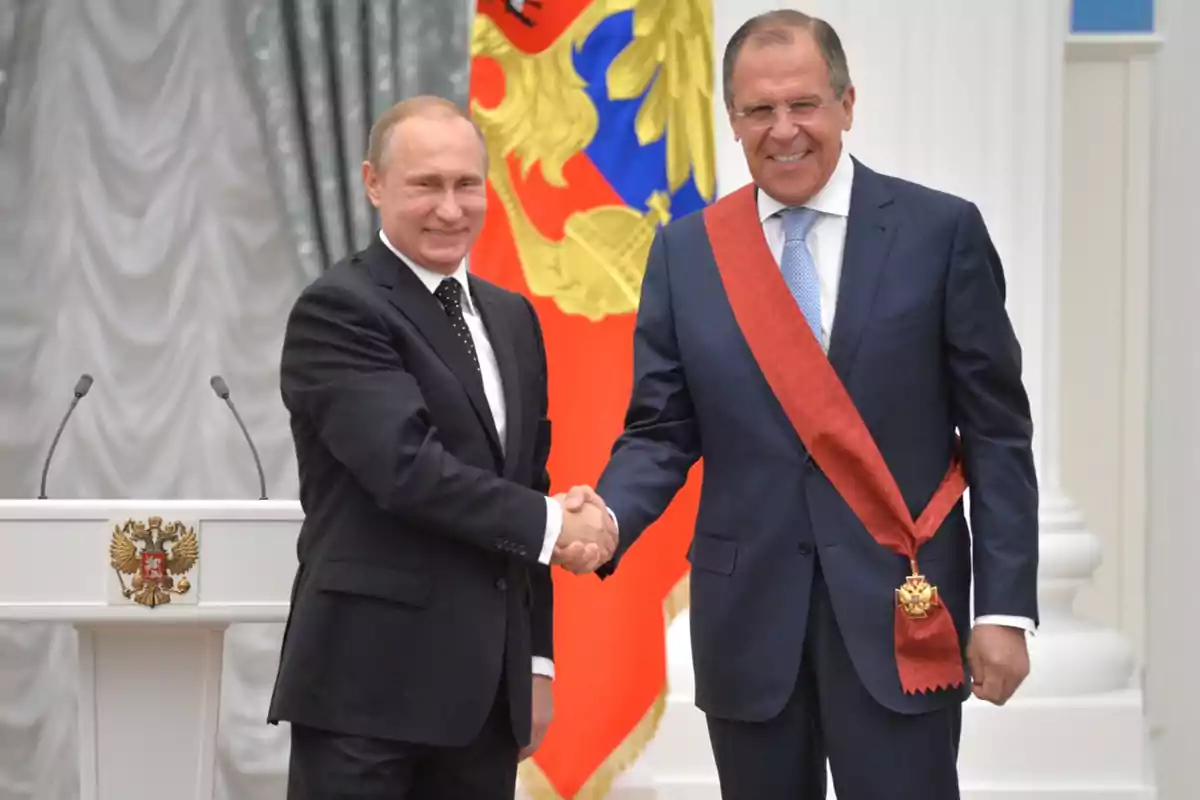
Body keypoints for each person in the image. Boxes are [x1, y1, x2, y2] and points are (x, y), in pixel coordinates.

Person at [563, 10, 1038, 799]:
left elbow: (996, 432)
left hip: (901, 611)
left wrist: (1006, 609)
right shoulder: (687, 252)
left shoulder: (939, 232)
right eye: (760, 110)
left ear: (847, 104)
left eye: (804, 104)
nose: (784, 130)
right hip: (749, 621)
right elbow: (660, 428)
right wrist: (609, 516)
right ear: (734, 120)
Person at [267, 96, 615, 799]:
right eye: (425, 185)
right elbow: (408, 471)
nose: (450, 208)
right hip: (365, 699)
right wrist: (558, 524)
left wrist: (536, 664)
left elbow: (527, 481)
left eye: (466, 184)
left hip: (483, 704)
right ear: (373, 184)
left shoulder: (513, 318)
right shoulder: (340, 308)